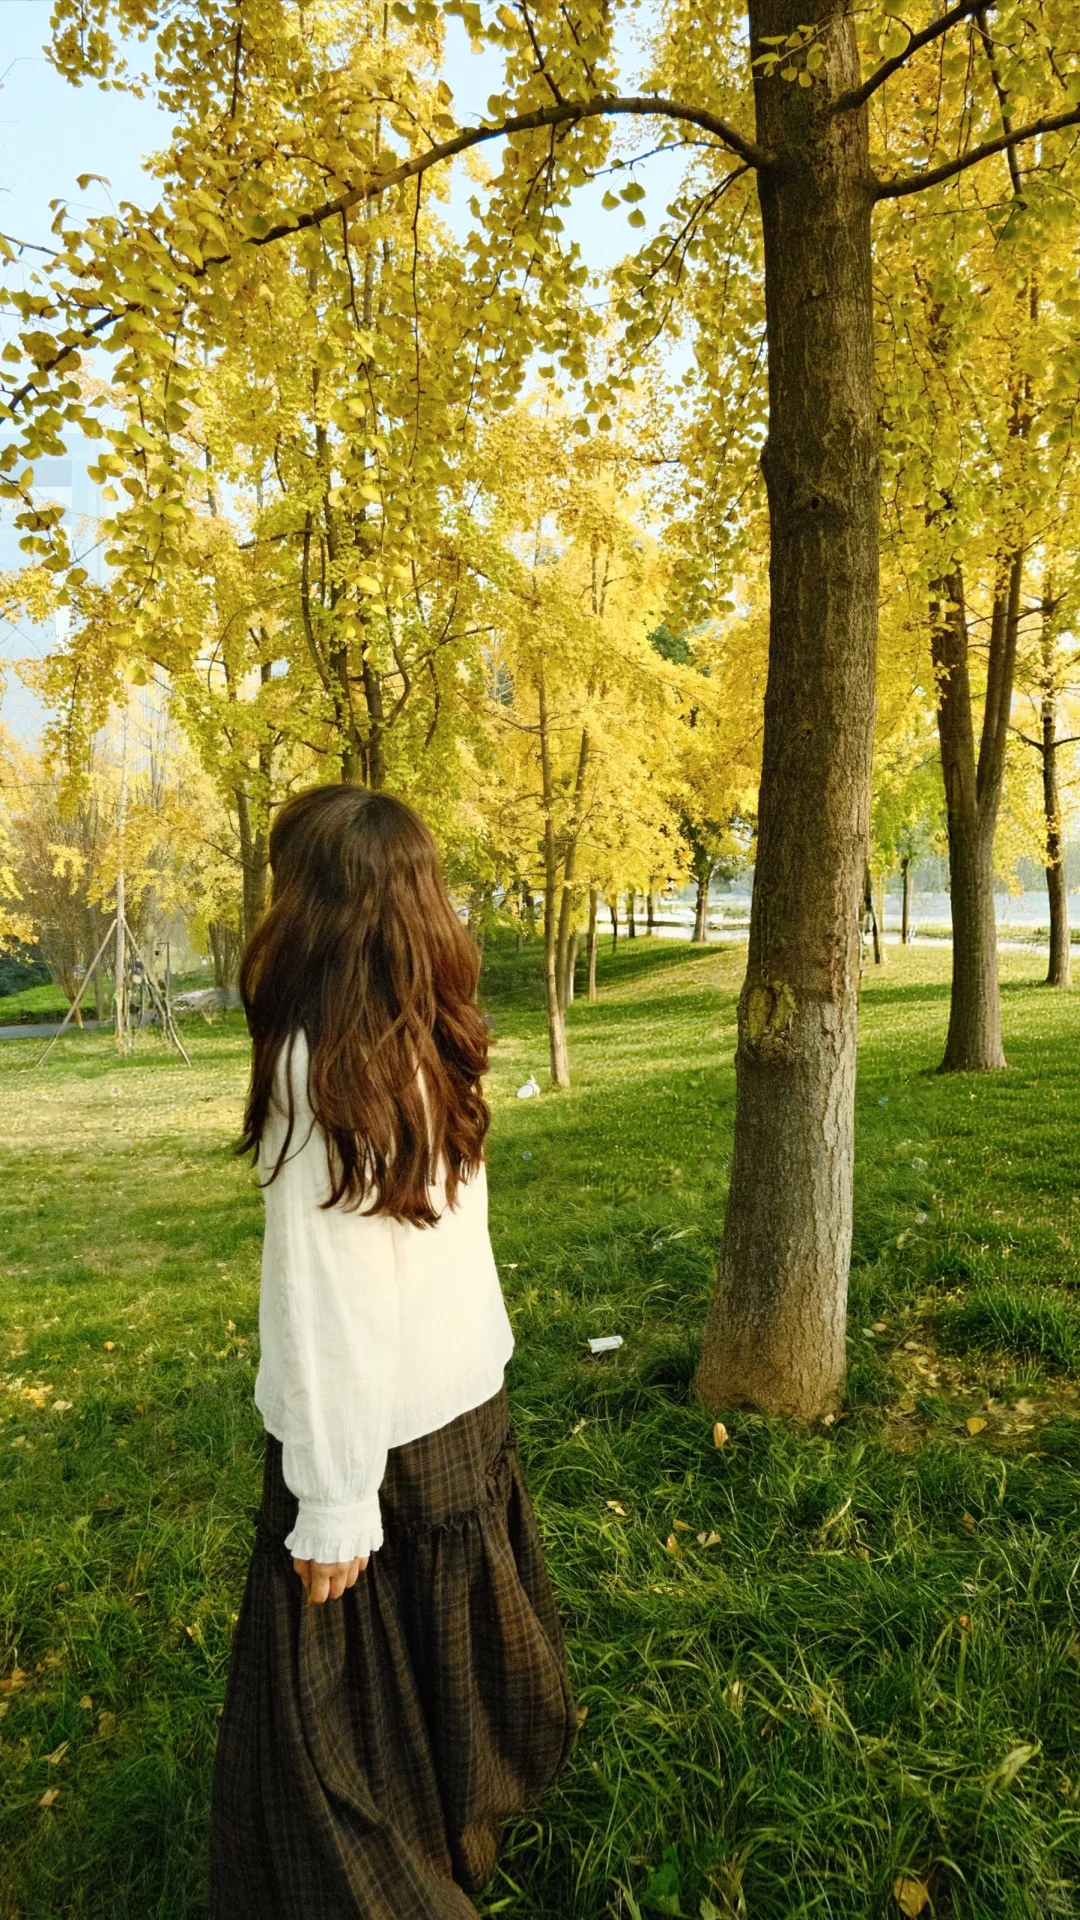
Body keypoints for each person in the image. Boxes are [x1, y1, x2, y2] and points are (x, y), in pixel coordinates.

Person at [209, 784, 576, 1918]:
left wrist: (330, 1500)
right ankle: (459, 1833)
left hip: (373, 1437)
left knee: (336, 1739)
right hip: (463, 1405)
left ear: (310, 909)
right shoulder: (436, 1038)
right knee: (439, 1657)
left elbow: (328, 1306)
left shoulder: (321, 1071)